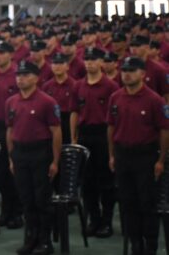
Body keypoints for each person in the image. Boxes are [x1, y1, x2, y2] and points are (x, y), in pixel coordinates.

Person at [108, 56, 169, 255]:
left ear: (142, 74)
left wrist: (160, 160)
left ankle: (149, 245)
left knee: (147, 203)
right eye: (124, 70)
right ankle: (136, 244)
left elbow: (164, 130)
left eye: (132, 71)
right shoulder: (115, 97)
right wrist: (112, 155)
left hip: (145, 156)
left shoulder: (154, 100)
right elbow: (110, 127)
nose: (126, 74)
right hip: (123, 155)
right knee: (128, 202)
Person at [6, 61, 62, 255]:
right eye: (18, 75)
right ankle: (31, 238)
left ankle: (45, 241)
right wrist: (11, 157)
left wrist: (55, 161)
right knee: (26, 199)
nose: (20, 78)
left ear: (36, 78)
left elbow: (56, 132)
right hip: (20, 153)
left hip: (40, 153)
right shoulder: (11, 101)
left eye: (26, 74)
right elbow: (10, 130)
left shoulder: (47, 101)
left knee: (42, 199)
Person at [71, 47, 119, 237]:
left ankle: (107, 221)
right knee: (87, 182)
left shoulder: (111, 87)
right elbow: (74, 112)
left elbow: (115, 118)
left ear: (101, 62)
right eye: (87, 59)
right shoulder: (79, 86)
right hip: (85, 135)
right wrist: (74, 137)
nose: (90, 63)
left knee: (106, 181)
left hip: (103, 134)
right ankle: (94, 219)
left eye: (94, 59)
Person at [0, 40, 23, 229]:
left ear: (11, 54)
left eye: (1, 52)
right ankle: (5, 211)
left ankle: (17, 212)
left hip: (14, 128)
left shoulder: (18, 75)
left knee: (13, 171)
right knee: (0, 173)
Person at [42, 53, 76, 144]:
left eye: (61, 63)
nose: (57, 66)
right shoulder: (46, 86)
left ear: (67, 66)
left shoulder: (75, 85)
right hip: (51, 122)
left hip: (67, 121)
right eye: (55, 63)